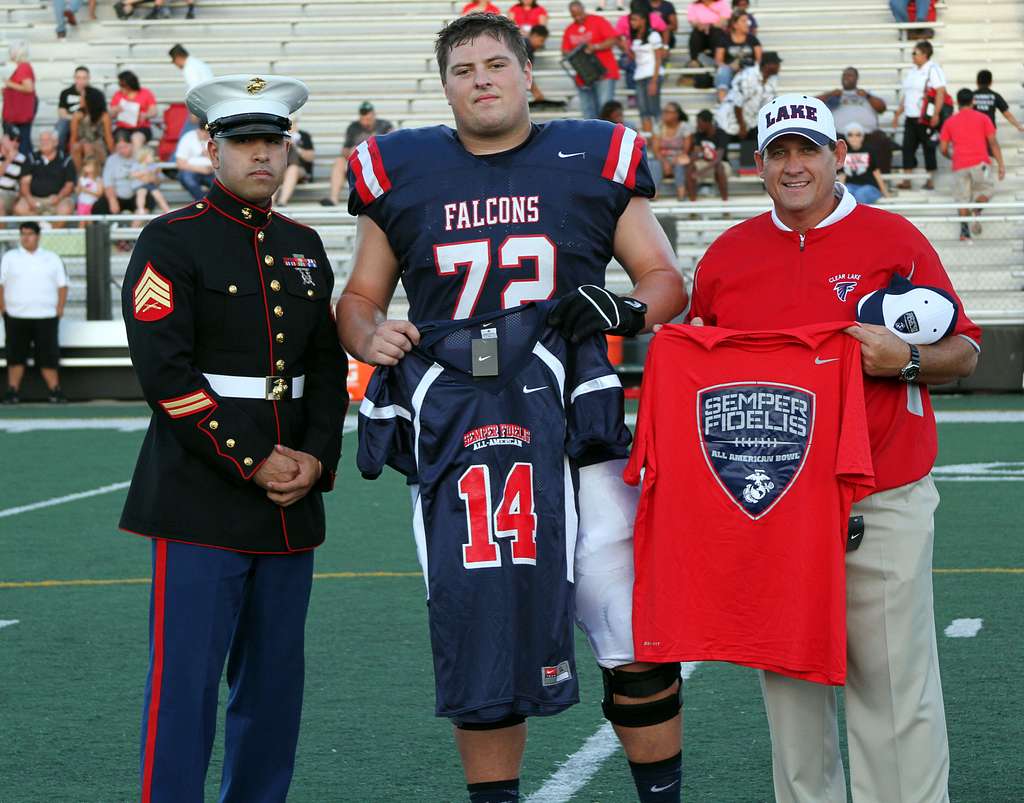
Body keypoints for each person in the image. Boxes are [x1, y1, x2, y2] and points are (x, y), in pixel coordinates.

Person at [339, 13, 687, 803]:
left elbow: (665, 279)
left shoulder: (592, 155)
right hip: (461, 435)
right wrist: (372, 334)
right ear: (446, 85)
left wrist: (626, 310)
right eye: (464, 70)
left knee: (630, 631)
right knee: (478, 630)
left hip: (579, 429)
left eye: (497, 64)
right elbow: (358, 297)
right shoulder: (402, 168)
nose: (482, 80)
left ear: (530, 74)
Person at [688, 92, 979, 803]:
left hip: (882, 494)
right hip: (776, 506)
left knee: (893, 692)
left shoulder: (893, 239)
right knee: (790, 696)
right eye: (779, 152)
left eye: (807, 150)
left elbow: (965, 350)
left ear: (837, 156)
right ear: (758, 164)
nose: (794, 165)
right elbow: (699, 382)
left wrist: (906, 357)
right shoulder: (727, 257)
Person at [119, 73, 346, 803]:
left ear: (289, 152)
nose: (261, 155)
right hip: (200, 501)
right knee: (183, 692)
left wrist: (314, 458)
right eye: (244, 141)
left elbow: (324, 365)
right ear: (211, 150)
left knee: (274, 693)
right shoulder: (170, 240)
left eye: (272, 141)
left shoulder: (306, 244)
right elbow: (168, 375)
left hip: (289, 507)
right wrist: (255, 460)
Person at [0, 221, 69, 404]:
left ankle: (55, 390)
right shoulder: (9, 257)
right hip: (16, 314)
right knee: (15, 355)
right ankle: (13, 391)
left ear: (38, 236)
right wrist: (3, 308)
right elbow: (1, 284)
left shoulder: (52, 258)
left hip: (46, 315)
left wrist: (59, 308)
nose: (25, 237)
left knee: (48, 355)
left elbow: (62, 285)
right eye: (23, 233)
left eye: (29, 233)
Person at [939, 88, 1005, 241]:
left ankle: (964, 233)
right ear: (973, 101)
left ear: (957, 102)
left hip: (960, 165)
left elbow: (942, 148)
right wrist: (1001, 164)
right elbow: (993, 143)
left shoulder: (950, 121)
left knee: (962, 198)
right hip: (980, 164)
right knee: (986, 190)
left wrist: (951, 156)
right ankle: (976, 209)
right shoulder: (983, 118)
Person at [818, 66, 892, 174]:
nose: (846, 78)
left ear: (857, 78)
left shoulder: (865, 94)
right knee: (826, 142)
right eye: (844, 75)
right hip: (841, 135)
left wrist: (867, 96)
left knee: (883, 141)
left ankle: (882, 178)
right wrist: (829, 94)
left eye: (849, 75)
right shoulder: (836, 95)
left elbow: (882, 108)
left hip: (866, 135)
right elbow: (813, 103)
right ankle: (832, 179)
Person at [893, 40, 945, 191]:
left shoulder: (933, 69)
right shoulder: (913, 70)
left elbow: (940, 91)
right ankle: (907, 180)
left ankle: (930, 181)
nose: (913, 56)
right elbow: (908, 93)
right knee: (907, 148)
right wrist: (898, 112)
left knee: (928, 147)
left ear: (925, 54)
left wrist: (936, 113)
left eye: (915, 53)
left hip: (924, 116)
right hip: (911, 115)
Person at [320, 101, 393, 207]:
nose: (366, 122)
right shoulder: (354, 127)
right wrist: (352, 151)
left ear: (374, 115)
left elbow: (390, 148)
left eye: (368, 119)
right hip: (357, 161)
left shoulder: (385, 126)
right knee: (339, 161)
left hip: (377, 162)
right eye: (363, 119)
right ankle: (333, 198)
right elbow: (344, 150)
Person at [713, 51, 780, 165]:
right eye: (777, 64)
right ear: (768, 65)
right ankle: (723, 166)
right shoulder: (747, 76)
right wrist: (742, 126)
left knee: (759, 138)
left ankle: (749, 167)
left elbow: (768, 103)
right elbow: (738, 104)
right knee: (722, 151)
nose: (779, 67)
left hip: (750, 119)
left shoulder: (772, 79)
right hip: (729, 118)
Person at [562, 2, 621, 120]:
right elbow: (565, 51)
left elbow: (613, 39)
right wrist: (578, 53)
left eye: (580, 14)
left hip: (605, 73)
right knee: (588, 113)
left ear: (584, 9)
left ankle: (607, 137)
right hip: (584, 76)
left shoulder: (598, 21)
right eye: (574, 15)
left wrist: (595, 47)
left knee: (606, 111)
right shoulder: (570, 29)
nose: (578, 17)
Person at [14, 129, 76, 225]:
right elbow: (24, 182)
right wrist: (29, 198)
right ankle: (41, 225)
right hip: (34, 198)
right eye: (41, 140)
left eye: (47, 140)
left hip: (58, 198)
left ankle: (52, 233)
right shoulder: (31, 158)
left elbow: (69, 184)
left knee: (66, 209)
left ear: (55, 142)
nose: (43, 143)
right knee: (20, 208)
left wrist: (59, 197)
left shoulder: (65, 159)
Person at [92, 132, 150, 218]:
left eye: (125, 146)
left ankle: (134, 227)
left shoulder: (140, 157)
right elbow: (108, 183)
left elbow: (152, 178)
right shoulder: (111, 160)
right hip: (117, 195)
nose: (123, 150)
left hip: (137, 194)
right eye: (119, 148)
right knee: (99, 206)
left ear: (131, 144)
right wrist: (112, 200)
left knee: (148, 199)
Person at [630, 10, 668, 135]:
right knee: (643, 111)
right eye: (631, 20)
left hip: (652, 74)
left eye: (635, 19)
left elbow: (658, 58)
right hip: (640, 75)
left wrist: (654, 81)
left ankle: (659, 138)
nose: (632, 23)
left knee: (654, 109)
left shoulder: (653, 35)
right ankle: (649, 141)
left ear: (643, 20)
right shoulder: (635, 36)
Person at [712, 10, 760, 103]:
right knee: (723, 70)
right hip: (730, 69)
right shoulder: (724, 39)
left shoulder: (752, 39)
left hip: (748, 70)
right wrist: (731, 66)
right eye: (744, 21)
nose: (748, 24)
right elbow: (718, 61)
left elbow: (758, 60)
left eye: (748, 21)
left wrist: (745, 67)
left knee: (751, 72)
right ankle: (724, 103)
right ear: (735, 24)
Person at [685, 108, 730, 201]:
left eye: (699, 123)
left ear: (708, 122)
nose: (697, 125)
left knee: (719, 167)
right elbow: (696, 154)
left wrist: (700, 172)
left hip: (721, 163)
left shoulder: (721, 134)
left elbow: (718, 158)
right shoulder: (698, 135)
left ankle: (725, 201)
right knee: (689, 169)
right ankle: (692, 204)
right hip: (703, 162)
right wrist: (692, 163)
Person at [649, 102, 692, 199]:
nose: (664, 114)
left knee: (680, 163)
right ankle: (654, 193)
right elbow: (655, 150)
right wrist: (665, 163)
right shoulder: (658, 126)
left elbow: (686, 150)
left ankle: (681, 192)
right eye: (664, 111)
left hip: (679, 157)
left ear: (676, 114)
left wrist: (672, 162)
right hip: (662, 158)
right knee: (655, 164)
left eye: (668, 112)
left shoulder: (684, 127)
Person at [839, 121, 889, 205]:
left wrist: (885, 193)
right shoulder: (843, 153)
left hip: (870, 186)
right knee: (846, 195)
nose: (854, 137)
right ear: (846, 137)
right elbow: (842, 175)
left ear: (862, 136)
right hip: (851, 185)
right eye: (850, 134)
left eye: (858, 134)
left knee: (860, 194)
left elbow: (876, 172)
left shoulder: (870, 150)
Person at [68, 87, 115, 172]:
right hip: (82, 144)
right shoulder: (77, 116)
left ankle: (93, 175)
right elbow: (73, 138)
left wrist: (115, 156)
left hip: (99, 145)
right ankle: (80, 175)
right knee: (77, 146)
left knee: (87, 146)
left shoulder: (104, 116)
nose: (80, 99)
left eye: (82, 97)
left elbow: (109, 138)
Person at [2, 42, 36, 157]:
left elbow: (29, 87)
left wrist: (9, 84)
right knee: (23, 143)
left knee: (21, 145)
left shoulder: (24, 67)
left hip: (19, 115)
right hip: (17, 113)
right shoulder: (21, 67)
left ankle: (25, 171)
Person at [109, 71, 158, 147]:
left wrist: (146, 115)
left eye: (123, 85)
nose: (121, 88)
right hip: (123, 127)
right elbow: (110, 115)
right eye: (120, 85)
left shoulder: (145, 93)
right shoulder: (118, 95)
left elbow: (154, 111)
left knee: (136, 139)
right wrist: (115, 110)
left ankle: (135, 159)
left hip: (142, 127)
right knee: (120, 139)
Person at [274, 117, 314, 207]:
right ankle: (271, 203)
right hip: (281, 169)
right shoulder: (278, 135)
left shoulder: (303, 135)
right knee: (275, 170)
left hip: (300, 170)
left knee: (293, 169)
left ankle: (282, 201)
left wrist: (295, 145)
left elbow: (310, 158)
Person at [56, 66, 98, 151]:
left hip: (88, 120)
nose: (81, 81)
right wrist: (75, 118)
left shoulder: (95, 93)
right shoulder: (66, 93)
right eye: (78, 78)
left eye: (84, 78)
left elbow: (97, 113)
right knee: (61, 126)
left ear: (89, 79)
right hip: (70, 120)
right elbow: (62, 114)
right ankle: (60, 155)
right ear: (74, 78)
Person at [173, 122, 214, 200]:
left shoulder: (214, 138)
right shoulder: (188, 138)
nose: (206, 135)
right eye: (204, 132)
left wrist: (209, 157)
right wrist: (202, 170)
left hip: (211, 170)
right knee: (188, 179)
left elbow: (221, 161)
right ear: (198, 130)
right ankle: (203, 201)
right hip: (191, 170)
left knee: (220, 182)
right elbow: (180, 163)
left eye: (208, 132)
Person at [685, 0, 729, 66]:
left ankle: (719, 61)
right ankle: (694, 60)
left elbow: (723, 21)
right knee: (695, 33)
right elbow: (693, 22)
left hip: (716, 33)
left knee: (716, 32)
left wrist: (710, 26)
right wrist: (700, 25)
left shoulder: (722, 3)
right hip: (701, 33)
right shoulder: (694, 5)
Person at [132, 145, 170, 214]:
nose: (153, 158)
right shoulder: (138, 165)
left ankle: (166, 209)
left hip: (151, 185)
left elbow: (160, 177)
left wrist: (156, 172)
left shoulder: (154, 165)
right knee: (141, 193)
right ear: (144, 157)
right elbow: (133, 174)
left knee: (158, 195)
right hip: (141, 185)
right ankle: (141, 208)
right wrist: (143, 172)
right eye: (151, 156)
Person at [0, 125, 27, 217]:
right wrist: (9, 159)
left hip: (9, 195)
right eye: (11, 138)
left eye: (18, 140)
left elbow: (23, 185)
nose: (15, 143)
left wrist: (10, 157)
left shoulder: (22, 159)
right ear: (3, 139)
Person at [524, 24, 550, 102]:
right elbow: (522, 72)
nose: (541, 44)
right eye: (541, 40)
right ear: (534, 35)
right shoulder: (525, 48)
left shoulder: (524, 45)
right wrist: (536, 92)